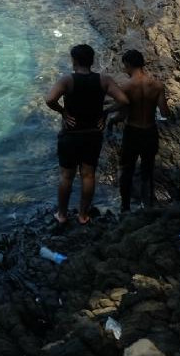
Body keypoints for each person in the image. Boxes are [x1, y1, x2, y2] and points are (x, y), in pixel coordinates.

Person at [45, 44, 128, 225]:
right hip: (92, 134)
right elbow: (123, 100)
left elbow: (49, 99)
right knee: (88, 175)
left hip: (71, 135)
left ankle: (62, 215)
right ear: (91, 61)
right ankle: (83, 215)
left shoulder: (67, 80)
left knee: (67, 176)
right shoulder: (104, 80)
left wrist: (63, 112)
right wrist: (106, 113)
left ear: (74, 60)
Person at [118, 50, 170, 212]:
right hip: (150, 131)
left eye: (125, 66)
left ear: (128, 65)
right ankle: (147, 205)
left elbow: (122, 113)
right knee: (147, 169)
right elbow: (164, 112)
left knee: (127, 170)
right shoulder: (157, 85)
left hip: (132, 131)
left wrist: (111, 118)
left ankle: (125, 207)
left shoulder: (126, 86)